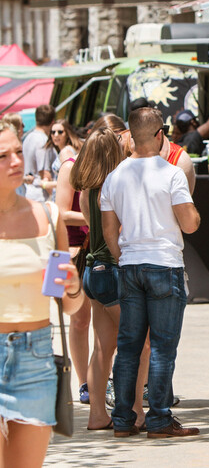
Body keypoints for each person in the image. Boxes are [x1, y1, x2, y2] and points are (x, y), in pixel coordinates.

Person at [101, 107, 201, 438]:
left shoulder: (114, 177)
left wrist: (123, 256)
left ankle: (123, 419)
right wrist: (193, 216)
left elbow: (109, 232)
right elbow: (189, 223)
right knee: (161, 346)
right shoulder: (171, 174)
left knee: (128, 346)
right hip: (164, 265)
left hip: (130, 266)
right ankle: (158, 418)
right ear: (160, 135)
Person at [0, 119, 83, 466]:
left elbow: (67, 305)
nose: (17, 161)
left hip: (35, 359)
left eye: (19, 151)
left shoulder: (47, 218)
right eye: (2, 156)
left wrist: (73, 287)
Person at [70, 128, 149, 431]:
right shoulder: (114, 187)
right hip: (112, 271)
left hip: (92, 273)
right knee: (141, 343)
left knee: (103, 347)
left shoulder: (87, 191)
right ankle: (137, 411)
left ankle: (97, 415)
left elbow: (92, 226)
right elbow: (120, 230)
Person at [46, 118, 92, 404]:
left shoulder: (112, 168)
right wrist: (95, 219)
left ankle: (97, 382)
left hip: (95, 250)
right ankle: (84, 382)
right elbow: (60, 213)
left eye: (59, 131)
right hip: (71, 251)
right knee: (76, 321)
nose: (56, 135)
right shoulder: (69, 167)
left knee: (101, 323)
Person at [21, 104, 56, 201]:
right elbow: (45, 173)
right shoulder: (44, 141)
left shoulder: (28, 138)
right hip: (40, 196)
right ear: (52, 122)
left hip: (27, 192)